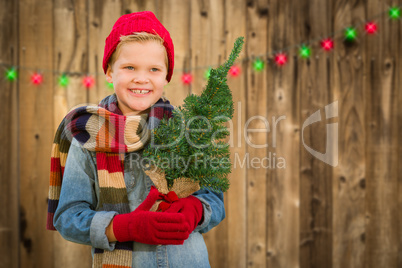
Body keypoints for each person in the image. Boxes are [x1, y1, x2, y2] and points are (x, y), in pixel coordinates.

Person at [47, 11, 225, 268]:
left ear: (166, 76)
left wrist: (196, 210)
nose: (142, 78)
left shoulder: (188, 131)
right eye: (129, 67)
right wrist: (124, 227)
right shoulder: (88, 135)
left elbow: (214, 201)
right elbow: (68, 218)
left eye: (154, 69)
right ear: (110, 72)